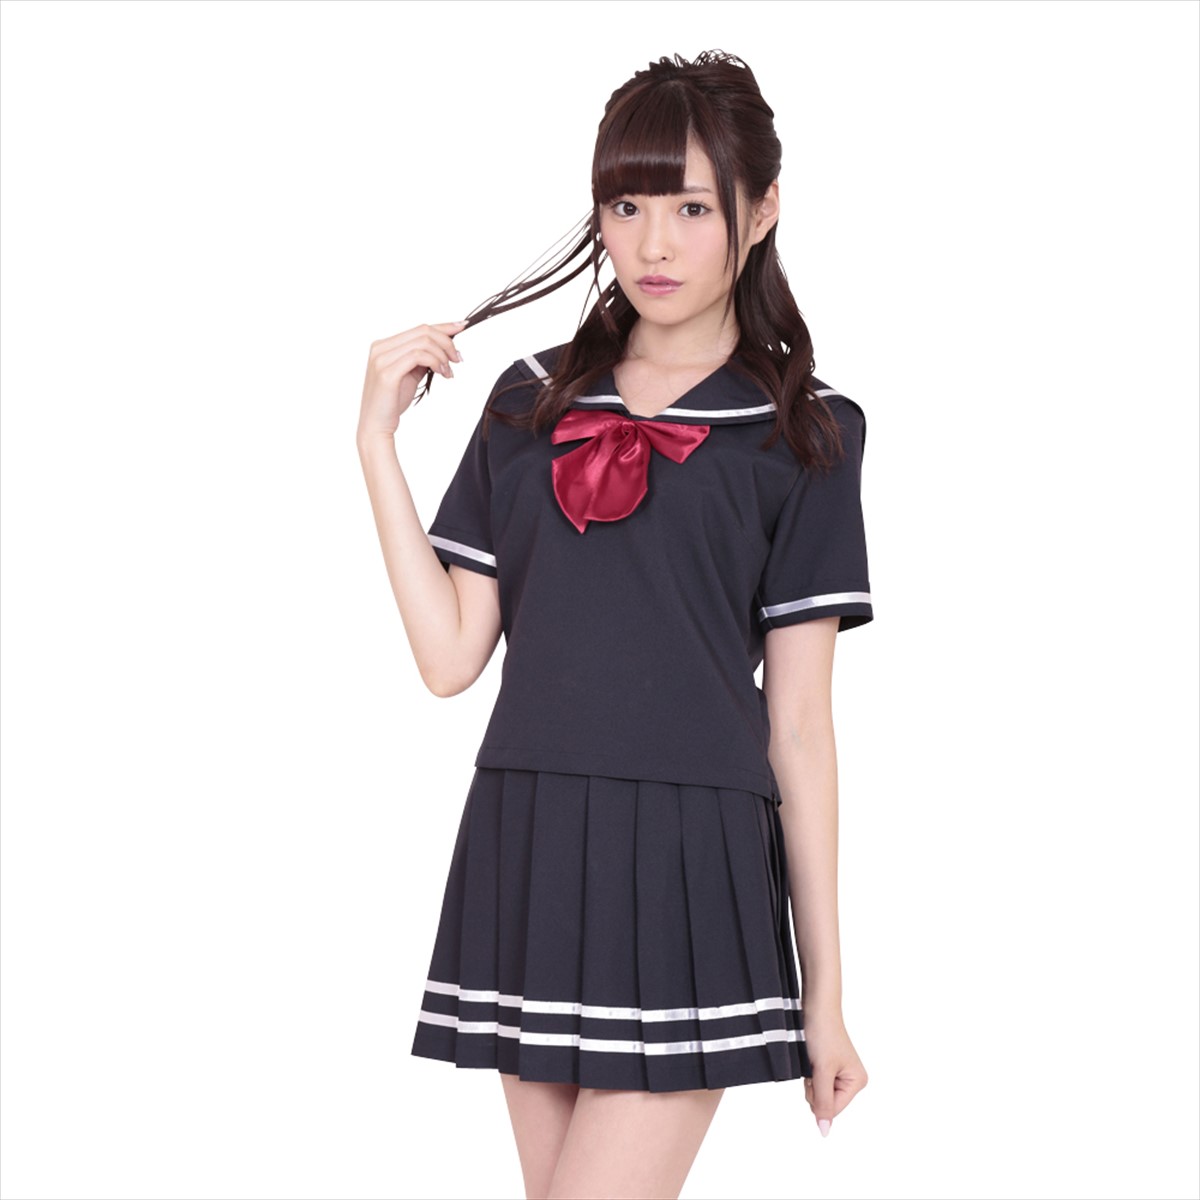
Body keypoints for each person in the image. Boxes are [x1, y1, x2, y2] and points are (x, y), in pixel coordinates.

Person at [357, 49, 873, 1200]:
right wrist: (376, 446)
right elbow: (449, 658)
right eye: (627, 206)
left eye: (691, 208)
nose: (652, 245)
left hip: (692, 861)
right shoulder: (529, 400)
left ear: (760, 212)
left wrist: (828, 994)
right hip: (531, 840)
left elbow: (799, 727)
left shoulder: (808, 433)